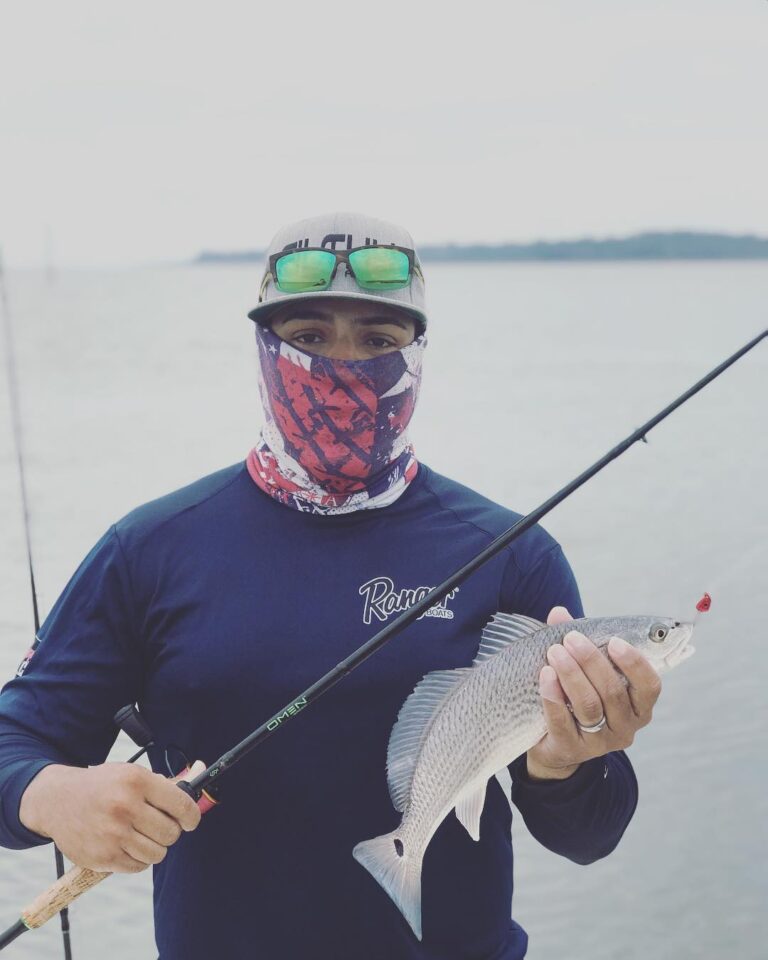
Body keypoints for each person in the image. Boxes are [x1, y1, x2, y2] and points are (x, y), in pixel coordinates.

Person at [0, 212, 662, 960]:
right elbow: (14, 738)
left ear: (418, 354)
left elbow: (590, 835)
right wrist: (55, 797)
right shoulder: (150, 550)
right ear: (263, 348)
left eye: (379, 340)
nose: (344, 365)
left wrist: (566, 761)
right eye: (309, 336)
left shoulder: (511, 555)